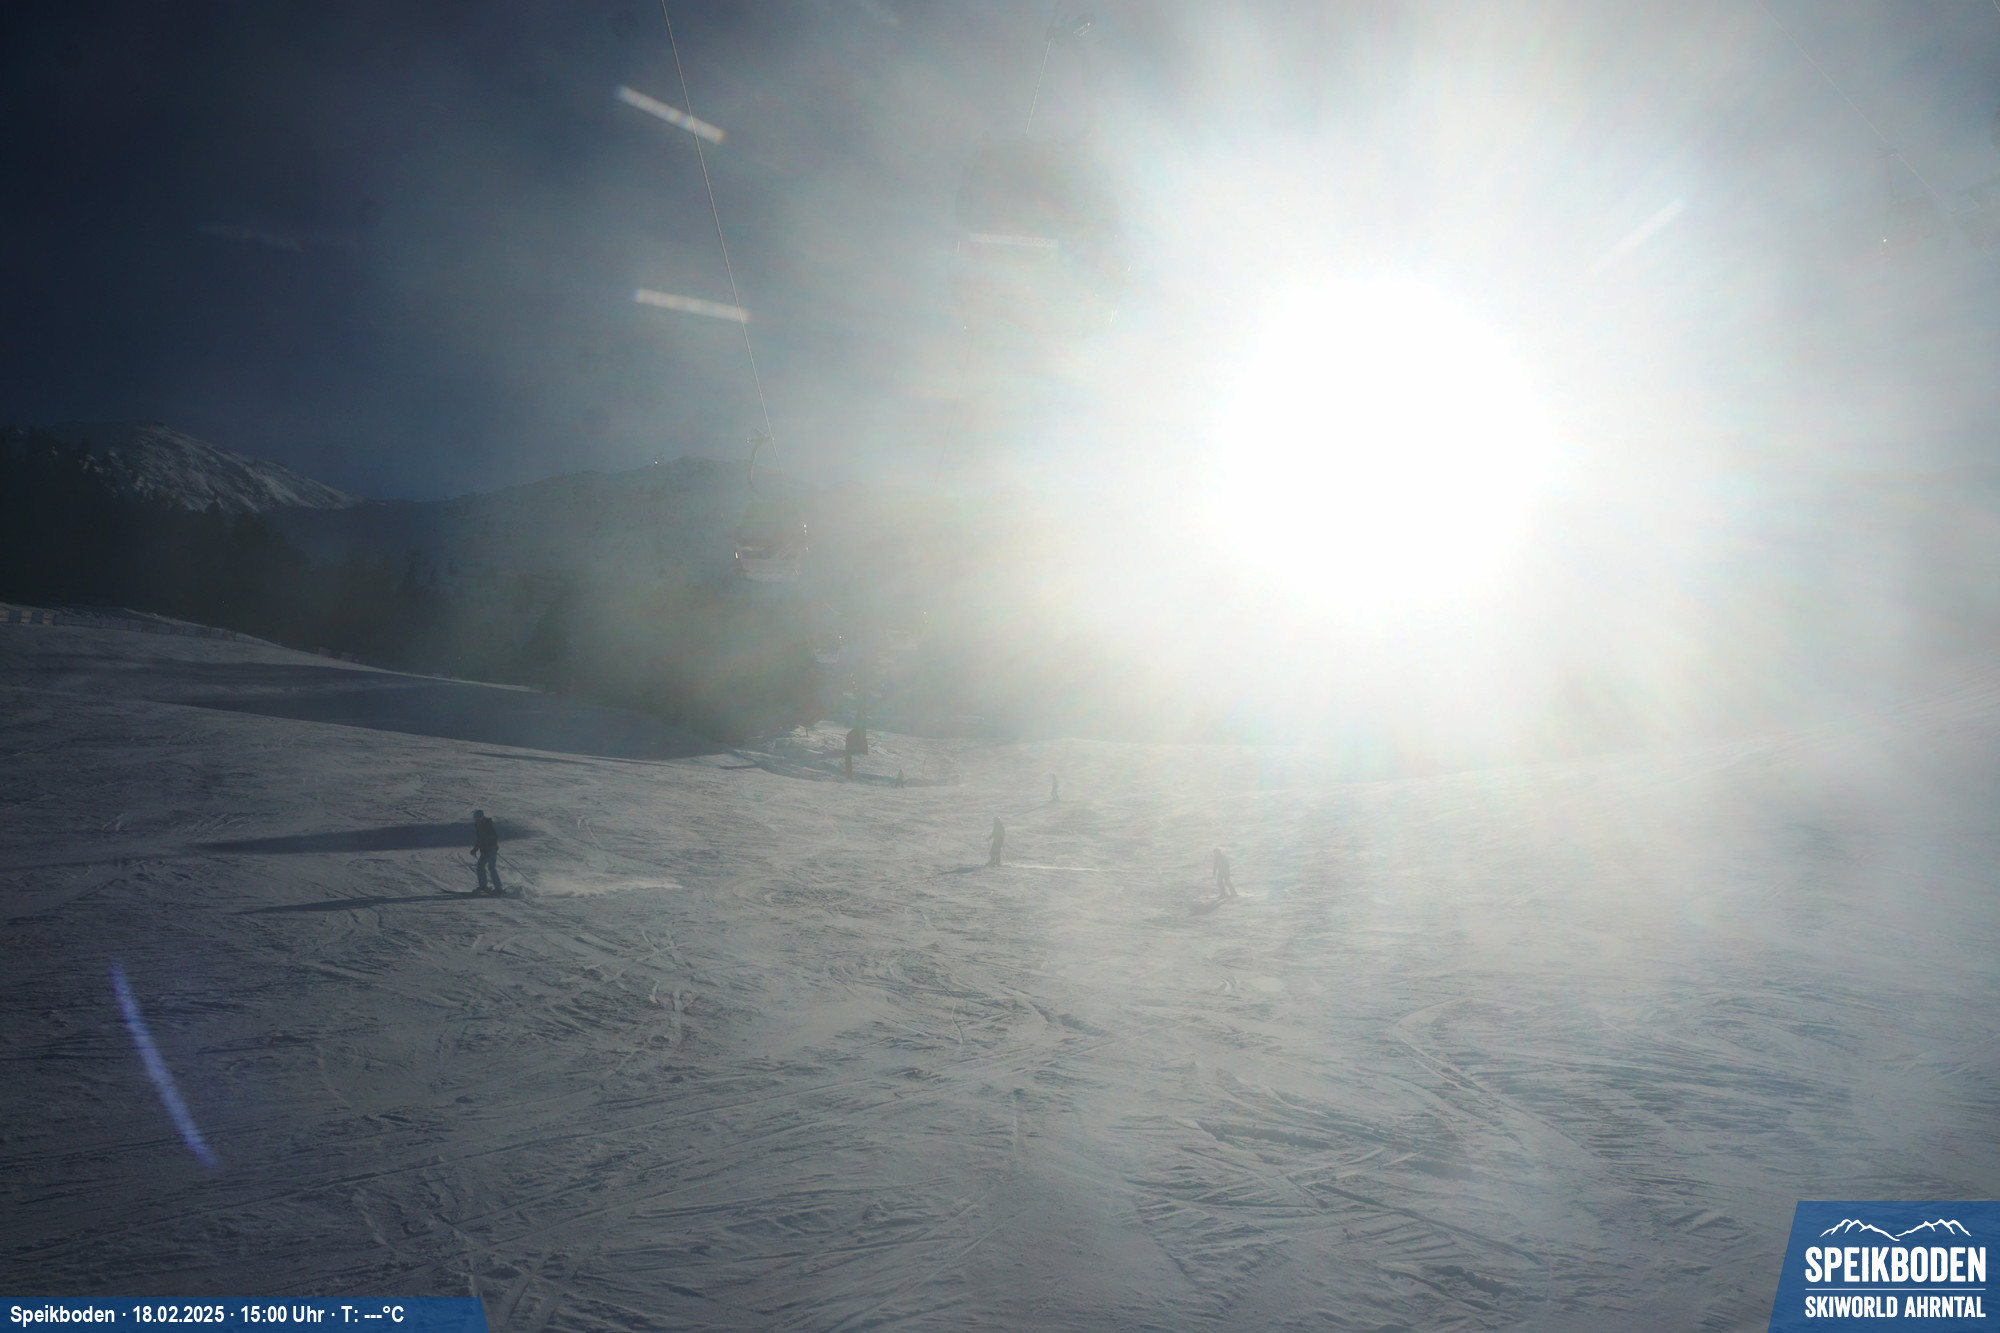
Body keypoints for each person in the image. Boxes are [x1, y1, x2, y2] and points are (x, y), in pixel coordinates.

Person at [470, 809, 501, 895]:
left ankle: (498, 888)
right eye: (475, 818)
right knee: (480, 866)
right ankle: (483, 886)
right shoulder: (477, 825)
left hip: (491, 849)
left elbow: (495, 836)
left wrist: (491, 843)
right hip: (484, 850)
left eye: (477, 818)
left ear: (481, 817)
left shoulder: (487, 823)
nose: (476, 819)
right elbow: (479, 839)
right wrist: (475, 849)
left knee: (491, 867)